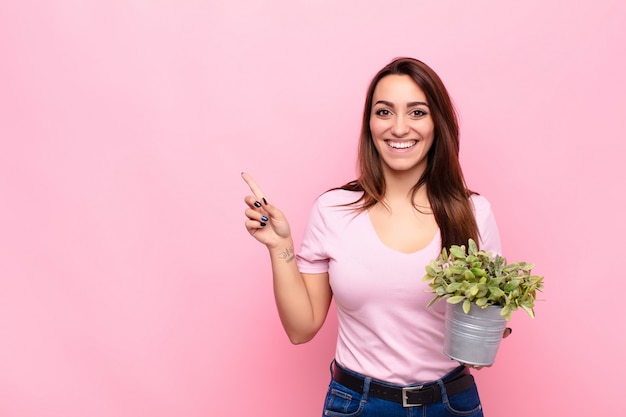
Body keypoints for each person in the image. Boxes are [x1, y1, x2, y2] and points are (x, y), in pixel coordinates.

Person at [242, 57, 509, 417]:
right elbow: (301, 329)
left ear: (437, 124)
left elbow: (485, 316)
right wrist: (280, 247)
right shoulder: (333, 210)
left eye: (417, 113)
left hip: (451, 404)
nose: (399, 128)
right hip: (359, 405)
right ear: (370, 124)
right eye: (384, 112)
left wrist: (487, 332)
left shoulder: (474, 213)